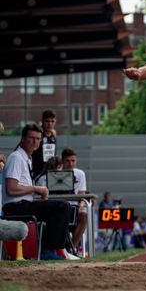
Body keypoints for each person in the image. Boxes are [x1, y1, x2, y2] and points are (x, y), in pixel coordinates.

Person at [1, 124, 70, 260]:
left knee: (62, 208)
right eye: (31, 138)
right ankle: (48, 251)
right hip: (14, 207)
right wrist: (36, 189)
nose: (35, 142)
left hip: (23, 204)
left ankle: (54, 250)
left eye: (38, 139)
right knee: (62, 207)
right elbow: (11, 189)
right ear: (22, 139)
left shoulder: (27, 158)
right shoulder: (16, 158)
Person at [62, 148, 88, 251]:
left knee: (84, 215)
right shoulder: (56, 172)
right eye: (67, 161)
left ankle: (72, 248)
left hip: (75, 206)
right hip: (61, 206)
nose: (70, 164)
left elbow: (81, 194)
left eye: (73, 161)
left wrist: (81, 205)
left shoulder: (80, 174)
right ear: (62, 161)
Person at [31, 109, 57, 179]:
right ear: (42, 121)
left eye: (52, 121)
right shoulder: (37, 134)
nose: (50, 124)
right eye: (47, 121)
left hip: (50, 173)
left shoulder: (53, 135)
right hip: (37, 173)